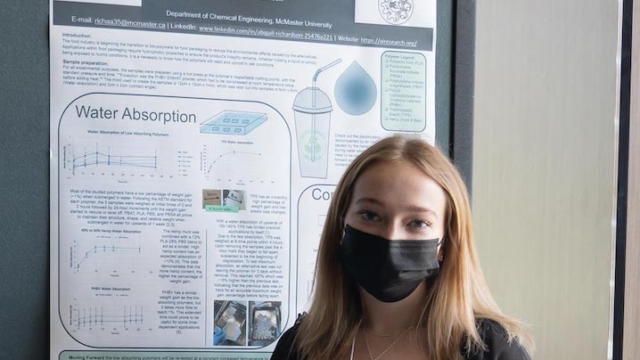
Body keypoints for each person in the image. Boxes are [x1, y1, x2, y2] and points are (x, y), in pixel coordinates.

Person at [271, 136, 534, 360]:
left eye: (418, 222)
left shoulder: (491, 351)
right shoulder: (299, 348)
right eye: (370, 215)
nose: (391, 236)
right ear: (341, 224)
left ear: (446, 242)